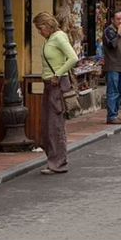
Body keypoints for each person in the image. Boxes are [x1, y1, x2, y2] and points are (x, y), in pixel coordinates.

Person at [34, 12, 79, 175]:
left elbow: (73, 58)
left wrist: (57, 74)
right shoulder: (50, 39)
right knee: (47, 124)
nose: (40, 32)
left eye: (40, 28)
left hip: (57, 84)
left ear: (47, 25)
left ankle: (58, 163)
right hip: (49, 84)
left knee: (55, 124)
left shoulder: (59, 37)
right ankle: (53, 160)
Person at [104, 11, 121, 125]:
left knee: (120, 91)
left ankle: (115, 113)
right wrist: (119, 32)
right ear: (112, 20)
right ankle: (111, 116)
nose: (120, 22)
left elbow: (117, 48)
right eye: (118, 19)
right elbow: (112, 45)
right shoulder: (109, 31)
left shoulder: (120, 32)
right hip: (112, 66)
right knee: (113, 91)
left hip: (120, 66)